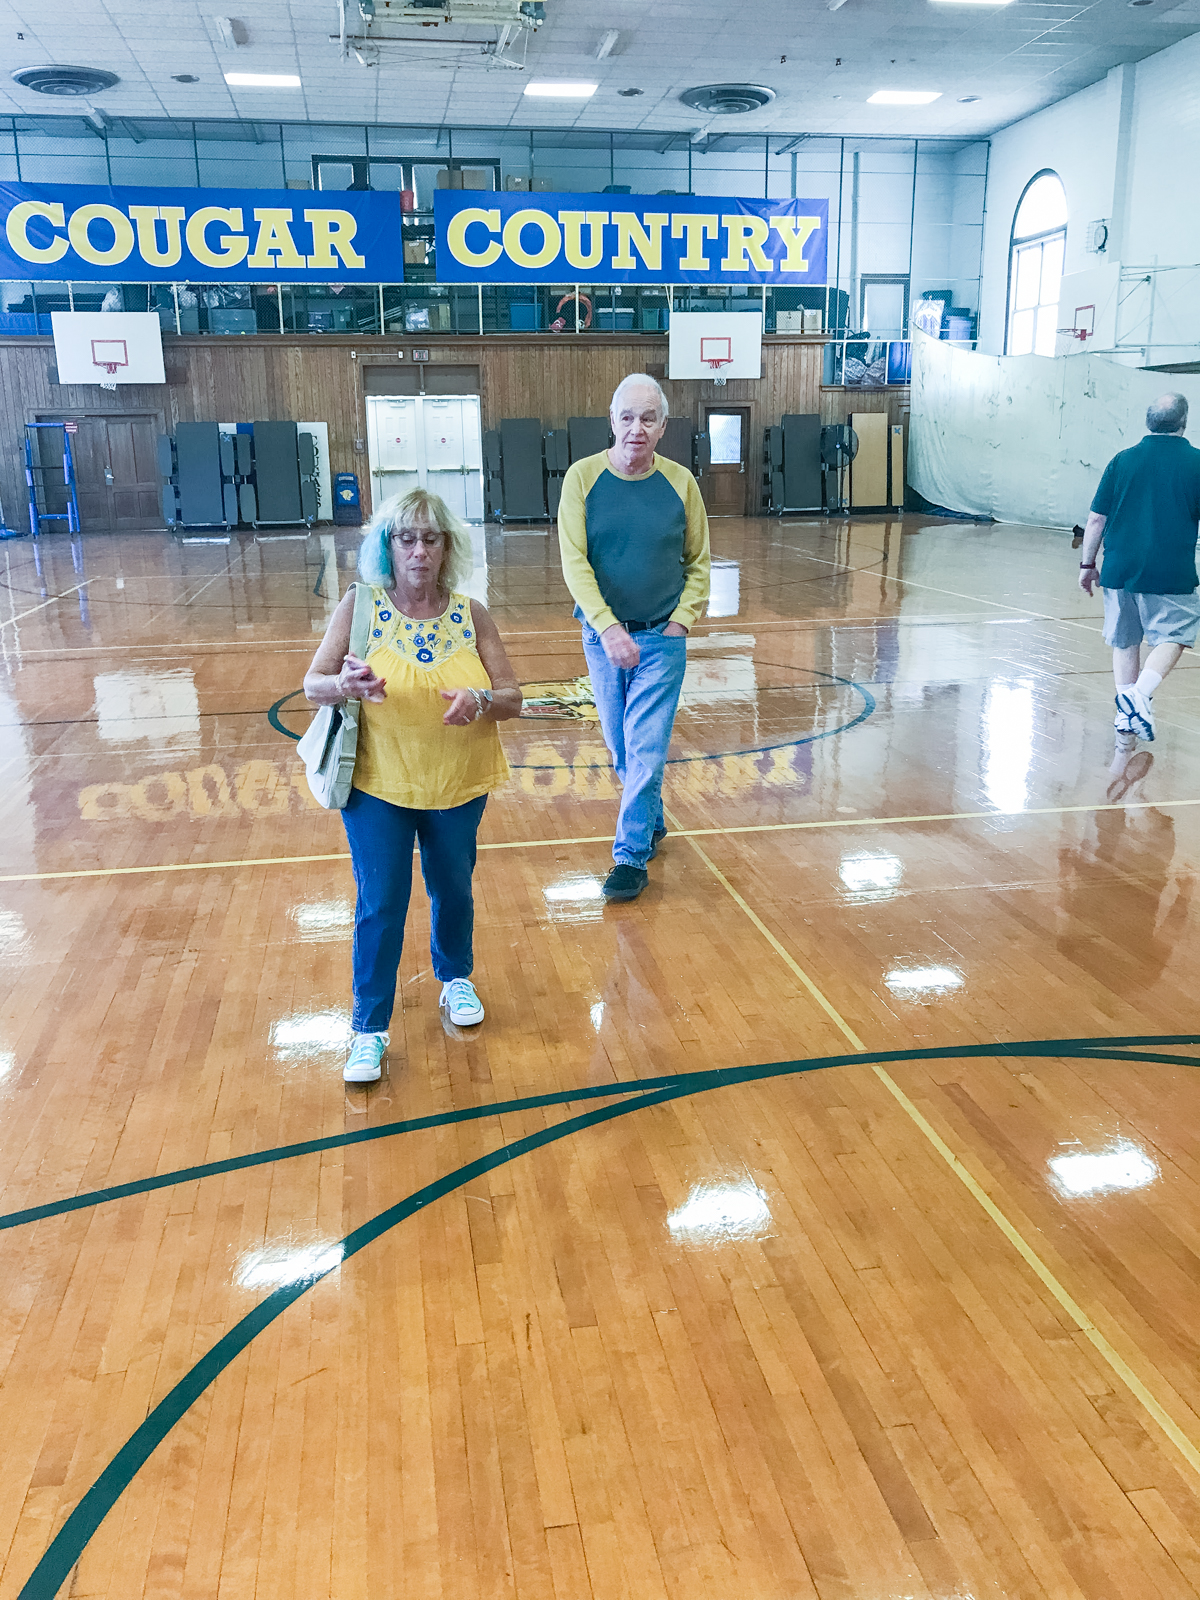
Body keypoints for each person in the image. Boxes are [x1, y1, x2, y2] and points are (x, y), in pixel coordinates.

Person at [304, 489, 522, 1083]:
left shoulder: (473, 614)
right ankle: (369, 1029)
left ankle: (455, 977)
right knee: (381, 901)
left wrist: (480, 699)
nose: (419, 550)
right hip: (377, 783)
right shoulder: (360, 605)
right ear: (388, 547)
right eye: (406, 538)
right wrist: (344, 686)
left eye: (430, 539)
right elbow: (313, 683)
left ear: (447, 548)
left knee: (453, 887)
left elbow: (512, 697)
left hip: (458, 781)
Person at [557, 374, 710, 901]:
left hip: (662, 639)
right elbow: (575, 563)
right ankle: (651, 819)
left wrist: (681, 622)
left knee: (645, 747)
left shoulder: (681, 483)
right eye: (627, 417)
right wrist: (608, 627)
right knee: (622, 747)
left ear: (663, 426)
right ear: (612, 420)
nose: (636, 428)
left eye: (648, 418)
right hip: (602, 639)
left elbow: (698, 561)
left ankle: (629, 856)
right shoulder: (581, 478)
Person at [1079, 392, 1200, 746]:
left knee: (1125, 639)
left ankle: (1125, 714)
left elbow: (1096, 519)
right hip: (1170, 570)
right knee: (1177, 633)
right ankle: (1138, 695)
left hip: (1118, 567)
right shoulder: (1196, 463)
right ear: (1183, 422)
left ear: (1149, 422)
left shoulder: (1122, 461)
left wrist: (1087, 563)